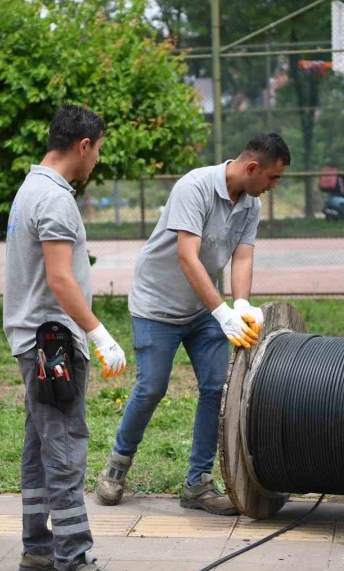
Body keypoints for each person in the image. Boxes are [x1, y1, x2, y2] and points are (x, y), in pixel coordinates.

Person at [96, 133, 291, 515]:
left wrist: (242, 305)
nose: (273, 186)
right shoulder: (195, 187)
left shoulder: (249, 203)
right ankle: (116, 467)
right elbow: (188, 257)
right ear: (252, 168)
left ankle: (197, 483)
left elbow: (243, 257)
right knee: (152, 387)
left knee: (215, 388)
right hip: (156, 307)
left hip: (203, 309)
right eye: (272, 178)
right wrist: (222, 313)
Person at [3, 104, 136, 571]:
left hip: (32, 339)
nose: (96, 160)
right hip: (53, 344)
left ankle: (38, 549)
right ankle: (75, 563)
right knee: (63, 447)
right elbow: (59, 278)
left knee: (40, 448)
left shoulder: (29, 189)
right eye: (98, 150)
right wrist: (99, 332)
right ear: (83, 145)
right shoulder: (56, 200)